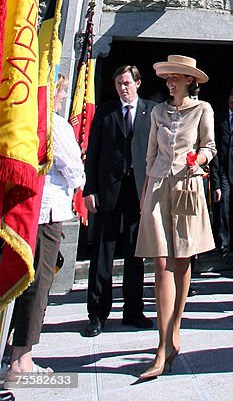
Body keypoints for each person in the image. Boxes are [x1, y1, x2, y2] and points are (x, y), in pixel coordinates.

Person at [135, 55, 216, 379]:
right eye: (167, 77)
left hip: (186, 186)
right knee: (160, 262)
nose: (169, 82)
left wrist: (200, 159)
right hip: (157, 186)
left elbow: (210, 146)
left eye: (175, 77)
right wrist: (145, 192)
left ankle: (175, 328)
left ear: (188, 80)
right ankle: (162, 345)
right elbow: (151, 154)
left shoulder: (203, 109)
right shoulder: (157, 111)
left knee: (182, 260)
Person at [5, 75, 85, 384]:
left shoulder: (21, 118)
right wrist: (78, 182)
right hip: (46, 211)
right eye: (61, 92)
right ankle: (21, 359)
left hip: (20, 214)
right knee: (38, 284)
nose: (63, 98)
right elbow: (74, 168)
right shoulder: (54, 125)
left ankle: (12, 347)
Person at [82, 65, 152, 337]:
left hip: (138, 191)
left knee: (136, 253)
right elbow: (93, 152)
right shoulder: (105, 112)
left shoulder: (151, 111)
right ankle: (97, 314)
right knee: (103, 251)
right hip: (108, 190)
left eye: (127, 83)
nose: (123, 88)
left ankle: (133, 310)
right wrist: (90, 189)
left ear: (138, 83)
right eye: (119, 84)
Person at [212, 86, 233, 255]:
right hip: (224, 169)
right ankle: (223, 242)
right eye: (232, 103)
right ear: (228, 102)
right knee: (223, 206)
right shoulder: (220, 120)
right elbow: (215, 148)